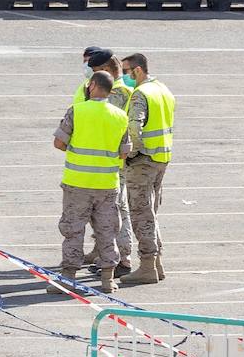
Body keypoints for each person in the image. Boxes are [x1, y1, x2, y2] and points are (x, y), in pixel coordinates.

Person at [52, 71, 131, 294]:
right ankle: (107, 280)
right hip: (107, 183)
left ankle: (68, 279)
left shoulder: (77, 111)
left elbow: (59, 142)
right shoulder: (119, 116)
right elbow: (124, 153)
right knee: (107, 231)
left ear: (93, 86)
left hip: (78, 182)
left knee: (73, 230)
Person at [119, 53, 175, 286]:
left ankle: (147, 266)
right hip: (161, 157)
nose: (124, 76)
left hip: (143, 161)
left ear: (138, 70)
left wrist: (131, 152)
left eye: (126, 71)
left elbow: (134, 125)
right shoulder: (162, 89)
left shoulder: (140, 93)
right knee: (150, 212)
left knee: (140, 214)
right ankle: (157, 263)